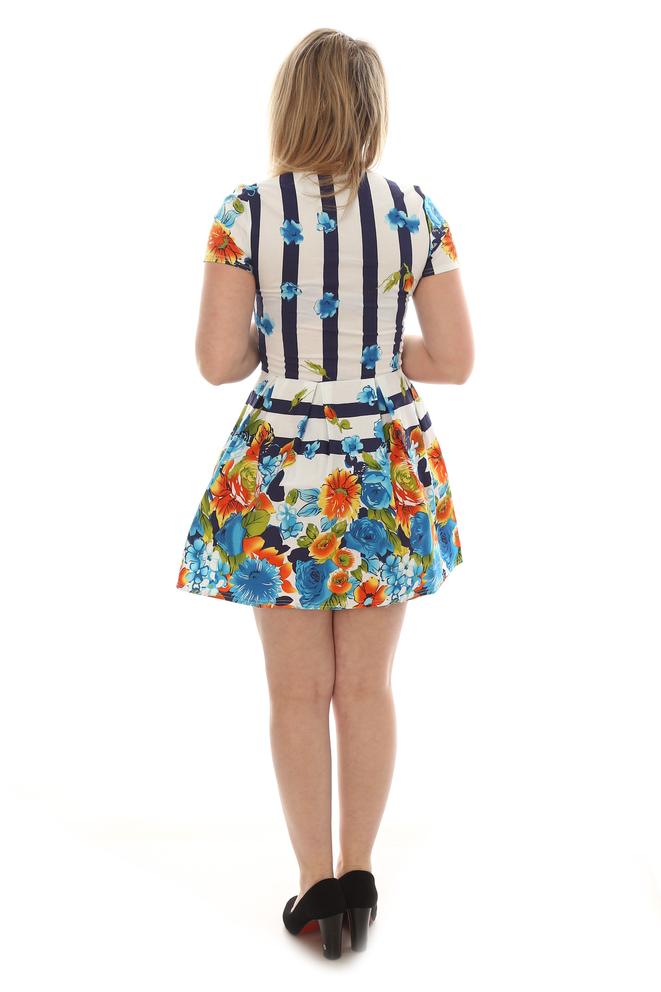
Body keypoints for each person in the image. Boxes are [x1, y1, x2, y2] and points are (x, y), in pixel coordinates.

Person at [176, 28, 474, 959]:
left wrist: (289, 350)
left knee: (298, 690)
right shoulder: (415, 212)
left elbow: (217, 361)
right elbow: (454, 360)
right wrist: (373, 357)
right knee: (367, 686)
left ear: (289, 104)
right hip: (381, 468)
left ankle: (314, 889)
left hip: (282, 471)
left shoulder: (245, 212)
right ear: (372, 109)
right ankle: (359, 875)